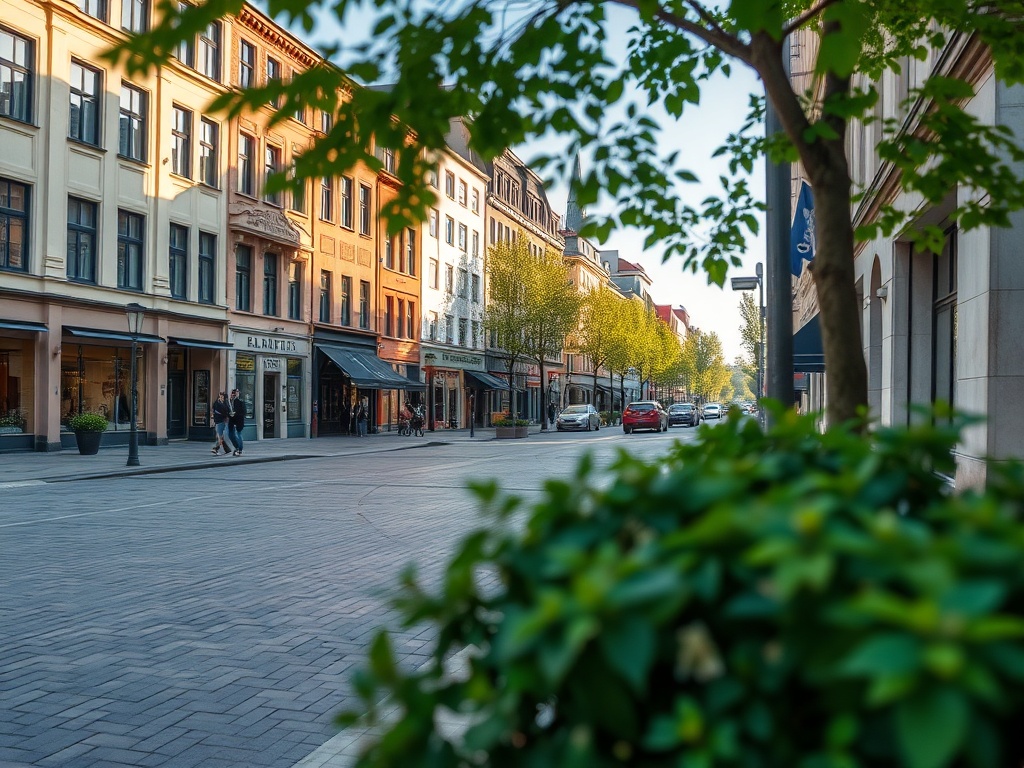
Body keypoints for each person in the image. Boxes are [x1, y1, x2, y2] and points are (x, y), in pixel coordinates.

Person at [228, 388, 245, 456]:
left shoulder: (240, 401)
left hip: (238, 420)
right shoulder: (229, 401)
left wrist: (235, 414)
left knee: (238, 434)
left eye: (236, 393)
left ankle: (239, 449)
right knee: (230, 435)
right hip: (231, 420)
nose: (234, 394)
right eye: (233, 393)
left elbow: (243, 412)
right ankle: (237, 447)